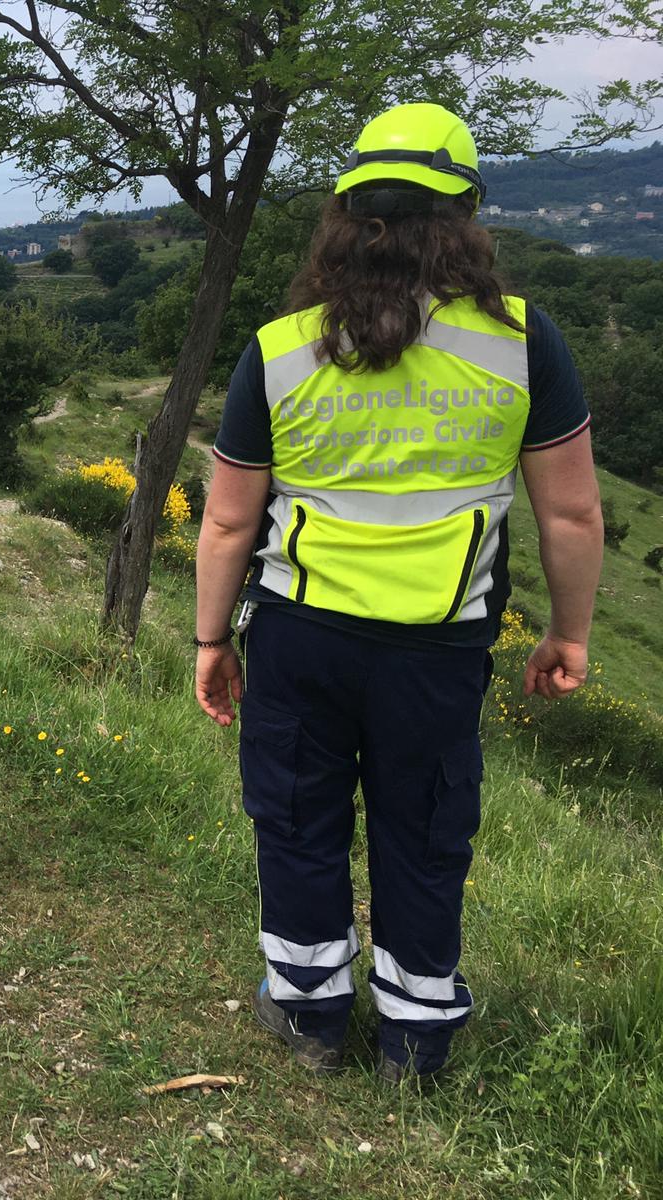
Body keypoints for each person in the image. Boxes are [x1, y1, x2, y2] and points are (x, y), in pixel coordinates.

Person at [193, 102, 603, 1085]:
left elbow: (225, 522)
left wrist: (211, 641)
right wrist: (569, 634)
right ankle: (415, 1046)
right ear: (465, 217)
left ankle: (307, 1020)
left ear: (343, 216)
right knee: (425, 835)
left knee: (296, 821)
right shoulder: (520, 342)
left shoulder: (282, 346)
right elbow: (572, 517)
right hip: (439, 645)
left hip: (300, 639)